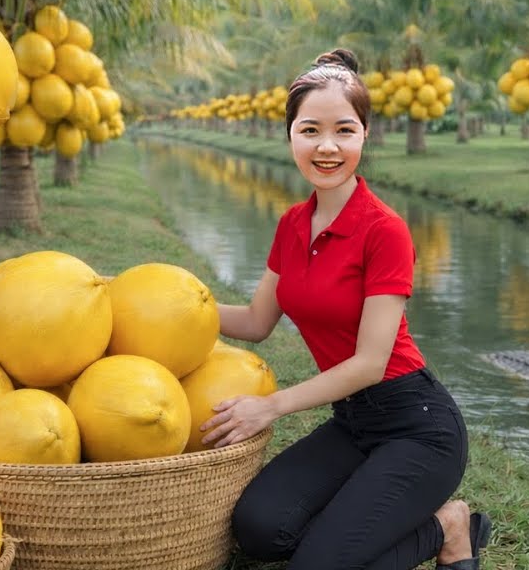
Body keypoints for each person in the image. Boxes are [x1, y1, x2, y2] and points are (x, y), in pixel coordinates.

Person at [201, 48, 492, 570]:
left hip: (417, 426)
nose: (327, 146)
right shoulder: (292, 224)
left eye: (345, 131)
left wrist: (270, 405)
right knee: (259, 530)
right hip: (352, 424)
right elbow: (256, 322)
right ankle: (368, 527)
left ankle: (449, 527)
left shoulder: (386, 231)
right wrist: (178, 299)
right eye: (310, 130)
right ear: (290, 136)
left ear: (365, 135)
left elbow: (370, 363)